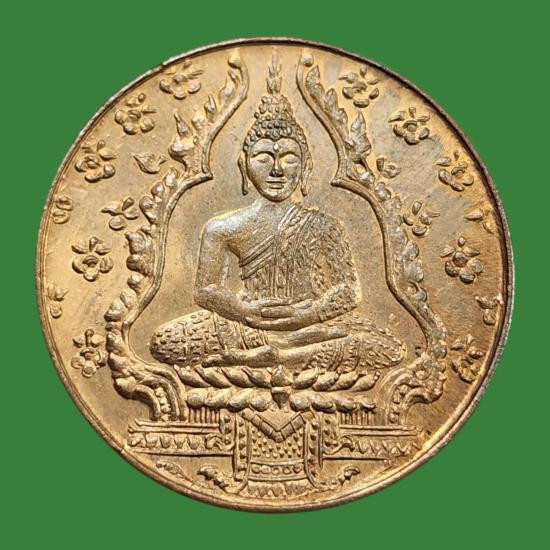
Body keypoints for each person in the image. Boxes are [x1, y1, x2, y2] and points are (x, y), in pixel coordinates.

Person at [150, 66, 403, 376]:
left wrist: (308, 314)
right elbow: (206, 290)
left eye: (289, 157)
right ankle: (287, 351)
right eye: (264, 157)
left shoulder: (325, 225)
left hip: (308, 321)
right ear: (244, 165)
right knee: (165, 341)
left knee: (388, 347)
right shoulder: (222, 228)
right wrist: (242, 311)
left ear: (305, 165)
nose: (277, 170)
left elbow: (349, 291)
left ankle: (277, 354)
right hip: (248, 324)